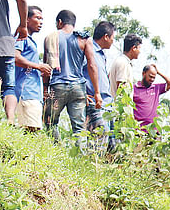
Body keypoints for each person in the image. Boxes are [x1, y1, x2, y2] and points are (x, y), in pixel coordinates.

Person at [44, 10, 102, 142]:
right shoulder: (84, 39)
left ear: (60, 22)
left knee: (50, 122)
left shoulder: (50, 38)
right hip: (78, 88)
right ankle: (80, 158)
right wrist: (97, 92)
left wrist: (45, 89)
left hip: (57, 86)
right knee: (79, 128)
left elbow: (46, 68)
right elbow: (92, 65)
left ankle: (55, 151)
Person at [13, 6, 51, 132]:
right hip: (26, 91)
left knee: (33, 130)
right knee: (30, 131)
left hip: (33, 92)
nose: (41, 22)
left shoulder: (30, 40)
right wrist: (38, 66)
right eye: (37, 18)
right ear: (27, 20)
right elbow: (15, 57)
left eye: (42, 19)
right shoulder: (21, 37)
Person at [83, 21, 115, 151]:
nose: (113, 41)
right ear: (106, 36)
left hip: (106, 104)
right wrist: (83, 94)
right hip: (95, 103)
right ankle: (92, 168)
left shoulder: (102, 54)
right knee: (98, 141)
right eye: (113, 37)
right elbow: (79, 72)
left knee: (110, 144)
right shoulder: (88, 49)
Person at [109, 34, 141, 98]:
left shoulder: (122, 61)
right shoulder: (123, 62)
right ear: (134, 48)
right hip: (119, 107)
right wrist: (124, 106)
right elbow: (121, 88)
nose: (140, 52)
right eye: (139, 48)